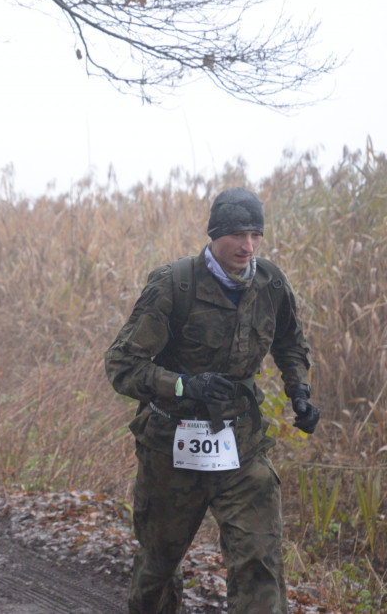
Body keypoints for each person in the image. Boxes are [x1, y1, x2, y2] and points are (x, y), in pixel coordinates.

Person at [104, 187, 321, 613]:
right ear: (214, 233)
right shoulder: (174, 284)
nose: (248, 245)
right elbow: (122, 366)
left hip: (241, 443)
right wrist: (184, 385)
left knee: (259, 558)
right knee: (157, 566)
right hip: (172, 444)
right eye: (237, 234)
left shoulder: (270, 282)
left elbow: (291, 342)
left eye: (256, 234)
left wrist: (299, 391)